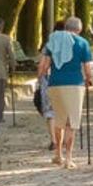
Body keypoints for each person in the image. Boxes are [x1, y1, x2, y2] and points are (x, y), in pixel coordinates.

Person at [36, 16, 92, 169]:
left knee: (58, 120)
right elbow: (87, 68)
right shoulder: (82, 43)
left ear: (66, 27)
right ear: (79, 29)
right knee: (71, 123)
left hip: (55, 84)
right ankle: (69, 159)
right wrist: (89, 79)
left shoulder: (53, 41)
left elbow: (45, 65)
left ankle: (58, 155)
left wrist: (40, 78)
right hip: (75, 85)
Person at [33, 20, 65, 150]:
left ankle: (54, 140)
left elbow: (43, 65)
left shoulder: (49, 45)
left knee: (50, 112)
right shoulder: (73, 44)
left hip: (50, 81)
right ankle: (62, 139)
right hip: (66, 81)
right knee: (63, 112)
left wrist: (39, 78)